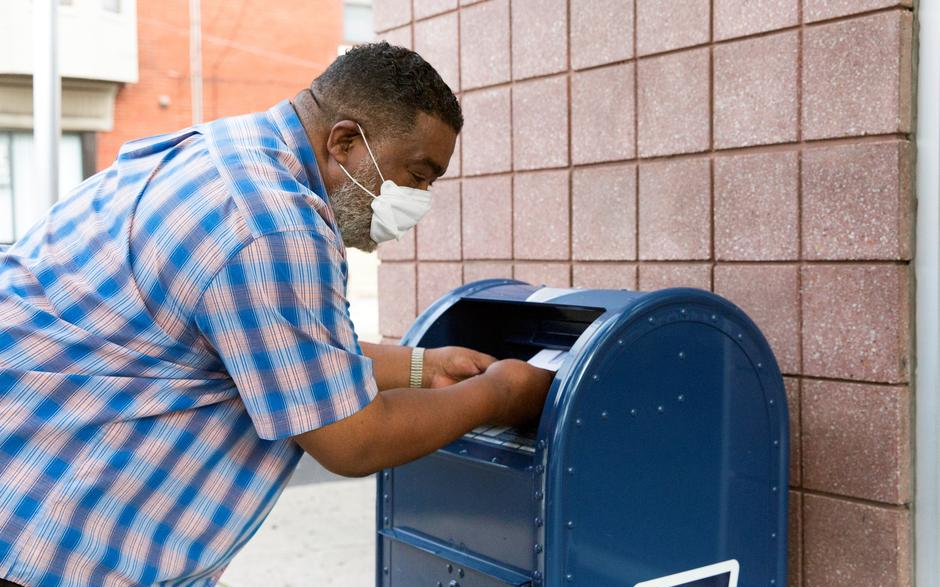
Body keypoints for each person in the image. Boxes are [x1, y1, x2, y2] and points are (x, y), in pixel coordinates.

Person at [0, 42, 553, 587]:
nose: (419, 198)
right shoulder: (272, 225)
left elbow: (262, 347)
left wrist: (424, 368)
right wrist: (501, 393)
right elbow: (354, 441)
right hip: (50, 549)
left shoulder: (218, 152)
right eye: (416, 174)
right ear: (345, 141)